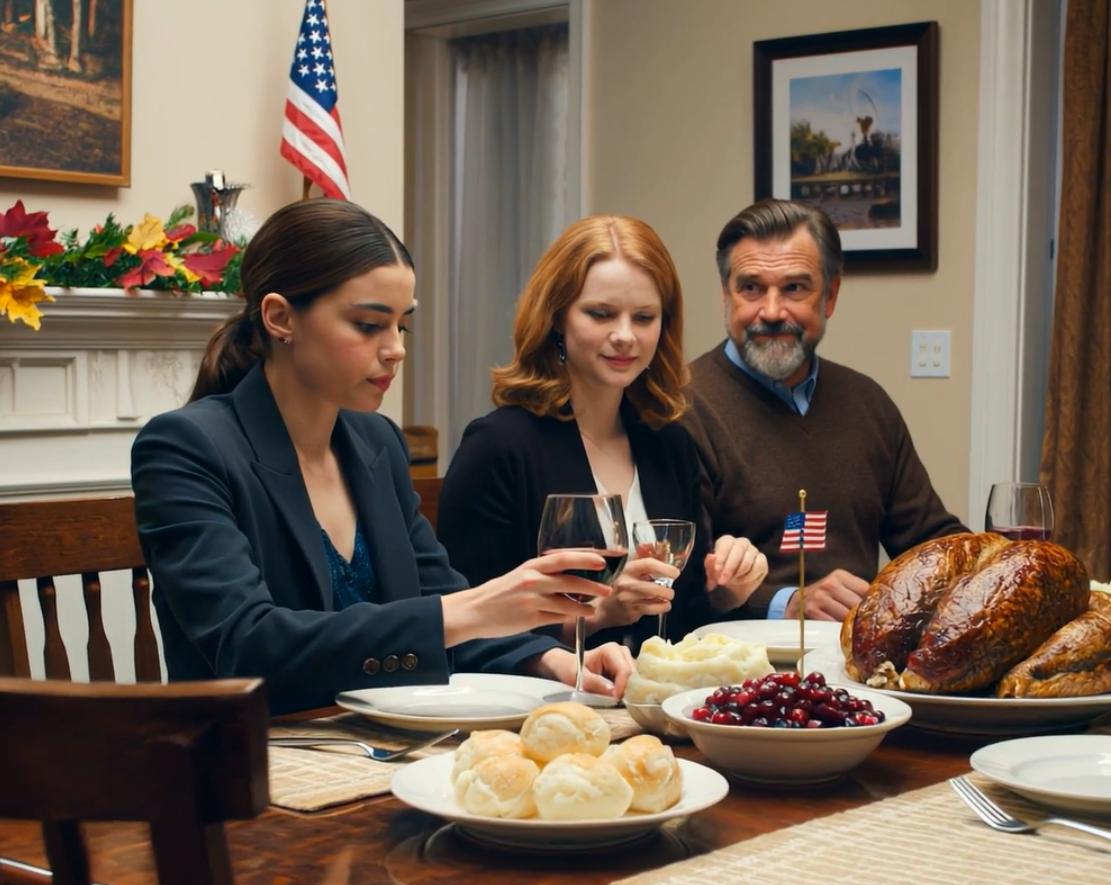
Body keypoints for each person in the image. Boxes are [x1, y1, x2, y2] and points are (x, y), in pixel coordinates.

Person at [131, 199, 635, 716]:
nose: (395, 349)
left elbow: (442, 604)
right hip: (249, 762)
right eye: (369, 326)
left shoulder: (378, 444)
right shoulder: (185, 447)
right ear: (281, 317)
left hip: (380, 747)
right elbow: (247, 644)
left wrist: (552, 661)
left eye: (402, 326)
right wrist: (464, 611)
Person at [437, 215, 768, 656]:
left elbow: (681, 622)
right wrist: (599, 613)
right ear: (556, 317)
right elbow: (466, 634)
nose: (625, 336)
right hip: (544, 712)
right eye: (601, 313)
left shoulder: (669, 445)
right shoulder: (497, 447)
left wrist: (729, 591)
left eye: (644, 317)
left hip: (655, 710)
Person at [681, 198, 967, 623]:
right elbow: (681, 583)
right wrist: (788, 604)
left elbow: (931, 541)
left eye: (795, 288)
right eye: (751, 288)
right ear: (726, 296)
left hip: (858, 659)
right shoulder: (681, 407)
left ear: (829, 295)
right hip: (738, 671)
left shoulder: (868, 403)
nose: (772, 311)